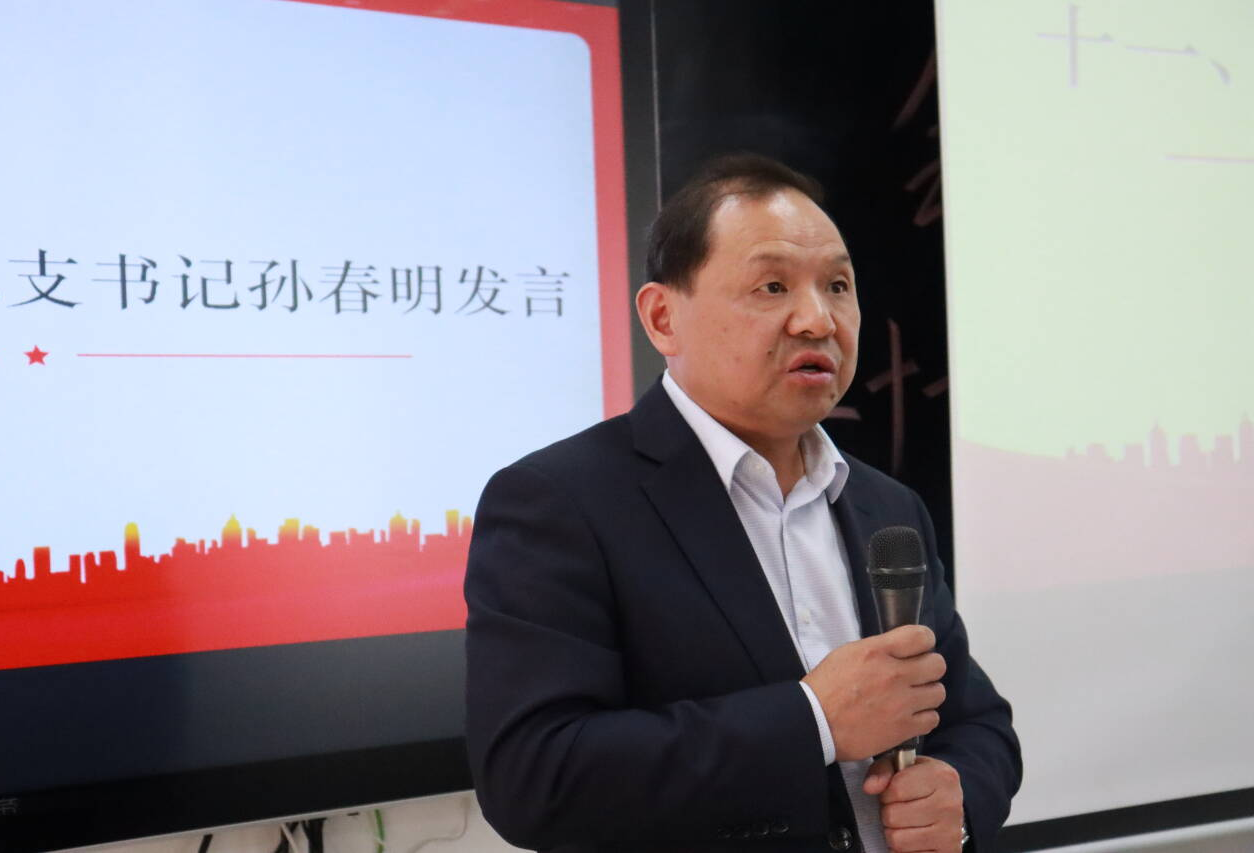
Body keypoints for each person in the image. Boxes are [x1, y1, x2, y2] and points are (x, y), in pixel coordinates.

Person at [464, 154, 1021, 853]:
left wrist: (957, 797)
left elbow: (977, 722)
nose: (817, 320)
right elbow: (534, 778)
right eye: (772, 286)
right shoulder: (560, 503)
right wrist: (814, 719)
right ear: (663, 317)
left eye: (838, 286)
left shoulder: (888, 506)